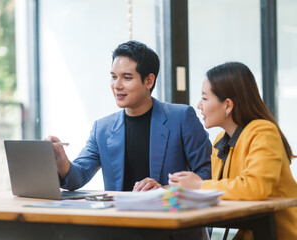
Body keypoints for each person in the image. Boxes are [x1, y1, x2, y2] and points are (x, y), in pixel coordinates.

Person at [47, 40, 211, 192]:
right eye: (113, 77)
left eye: (126, 78)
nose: (117, 85)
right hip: (121, 220)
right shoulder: (102, 129)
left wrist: (165, 190)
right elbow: (79, 175)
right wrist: (61, 161)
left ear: (149, 81)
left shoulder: (181, 118)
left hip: (170, 216)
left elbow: (209, 172)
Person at [168, 62, 297, 239]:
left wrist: (198, 186)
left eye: (205, 98)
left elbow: (254, 188)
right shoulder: (221, 140)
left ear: (227, 105)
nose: (199, 105)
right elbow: (223, 191)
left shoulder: (263, 131)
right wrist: (172, 189)